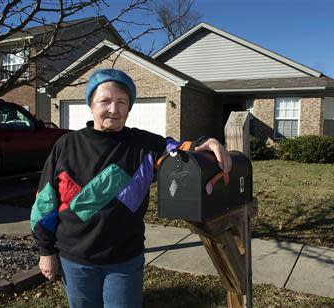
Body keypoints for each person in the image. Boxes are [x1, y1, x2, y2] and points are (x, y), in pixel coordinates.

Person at [30, 68, 232, 308]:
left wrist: (205, 143)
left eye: (122, 102)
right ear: (91, 104)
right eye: (105, 100)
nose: (114, 109)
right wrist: (45, 250)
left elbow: (180, 150)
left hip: (124, 260)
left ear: (129, 108)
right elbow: (45, 202)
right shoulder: (66, 145)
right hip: (75, 260)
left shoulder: (145, 145)